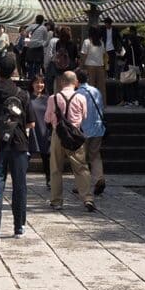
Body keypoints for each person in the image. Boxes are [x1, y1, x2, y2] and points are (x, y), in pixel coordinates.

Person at [0, 53, 32, 239]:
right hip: (19, 142)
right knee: (20, 185)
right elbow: (30, 123)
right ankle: (19, 226)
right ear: (14, 71)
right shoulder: (22, 94)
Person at [45, 71, 94, 211]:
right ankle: (87, 198)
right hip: (75, 135)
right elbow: (84, 116)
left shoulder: (53, 98)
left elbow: (47, 118)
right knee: (81, 167)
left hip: (58, 134)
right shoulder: (81, 98)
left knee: (56, 168)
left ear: (62, 82)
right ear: (76, 83)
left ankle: (56, 201)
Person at [76, 67, 107, 197]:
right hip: (98, 128)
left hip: (83, 129)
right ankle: (99, 177)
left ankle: (83, 184)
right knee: (95, 155)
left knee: (80, 158)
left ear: (76, 80)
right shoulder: (96, 91)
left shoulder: (77, 94)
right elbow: (102, 107)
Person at [27, 74, 51, 187]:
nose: (39, 85)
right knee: (26, 156)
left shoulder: (48, 99)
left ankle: (49, 179)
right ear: (32, 84)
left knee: (47, 156)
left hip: (44, 130)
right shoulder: (27, 98)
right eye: (37, 82)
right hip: (31, 130)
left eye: (41, 82)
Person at [80, 26, 107, 96]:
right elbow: (104, 55)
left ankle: (90, 101)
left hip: (89, 66)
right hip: (100, 66)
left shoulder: (87, 42)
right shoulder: (101, 43)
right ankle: (102, 101)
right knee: (101, 88)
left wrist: (81, 67)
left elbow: (84, 56)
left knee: (90, 87)